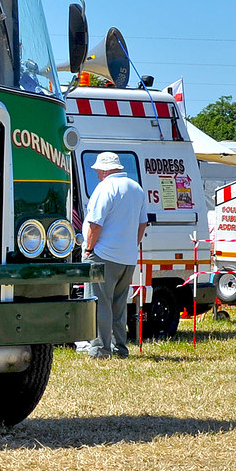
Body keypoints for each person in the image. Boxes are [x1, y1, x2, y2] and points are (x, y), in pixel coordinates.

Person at [81, 152, 148, 359]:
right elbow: (142, 222)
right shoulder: (136, 188)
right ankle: (120, 348)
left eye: (98, 171)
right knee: (119, 305)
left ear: (104, 169)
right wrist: (132, 245)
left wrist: (89, 249)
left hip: (103, 254)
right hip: (127, 257)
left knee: (99, 303)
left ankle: (100, 349)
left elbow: (95, 223)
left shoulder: (105, 188)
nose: (97, 174)